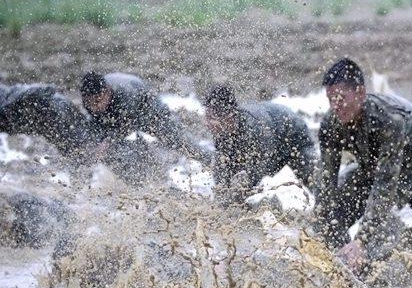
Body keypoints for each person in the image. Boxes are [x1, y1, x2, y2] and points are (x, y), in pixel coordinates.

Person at [314, 58, 412, 271]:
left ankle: (403, 247)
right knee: (329, 215)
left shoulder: (391, 119)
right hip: (371, 171)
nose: (336, 106)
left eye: (341, 98)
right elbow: (326, 182)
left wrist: (361, 240)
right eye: (331, 99)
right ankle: (345, 263)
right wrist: (322, 229)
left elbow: (385, 186)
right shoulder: (331, 123)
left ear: (360, 93)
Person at [202, 84, 316, 205]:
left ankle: (331, 209)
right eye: (206, 117)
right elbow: (222, 167)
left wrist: (235, 197)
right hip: (272, 140)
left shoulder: (255, 129)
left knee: (313, 179)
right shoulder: (222, 131)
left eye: (210, 118)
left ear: (229, 117)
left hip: (293, 134)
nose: (207, 123)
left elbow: (258, 170)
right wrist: (221, 197)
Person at [80, 71, 212, 170]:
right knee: (111, 150)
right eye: (89, 103)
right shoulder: (91, 101)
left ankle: (215, 161)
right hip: (118, 118)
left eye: (98, 101)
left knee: (182, 142)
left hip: (150, 112)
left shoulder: (125, 93)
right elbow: (94, 125)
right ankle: (142, 177)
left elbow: (127, 125)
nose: (95, 107)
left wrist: (107, 142)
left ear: (108, 91)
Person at [0, 82, 94, 163]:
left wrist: (49, 90)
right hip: (45, 116)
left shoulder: (13, 100)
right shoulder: (11, 107)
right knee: (73, 146)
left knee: (77, 145)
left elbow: (35, 91)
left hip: (54, 110)